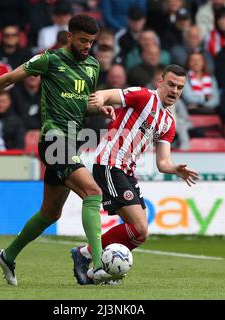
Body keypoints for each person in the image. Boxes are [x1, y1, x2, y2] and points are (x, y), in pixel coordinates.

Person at [0, 14, 116, 286]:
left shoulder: (92, 66)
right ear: (69, 36)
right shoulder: (49, 60)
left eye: (91, 41)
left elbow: (81, 105)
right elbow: (7, 79)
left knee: (51, 213)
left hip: (73, 141)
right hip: (53, 139)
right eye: (83, 40)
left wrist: (99, 108)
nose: (87, 46)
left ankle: (8, 255)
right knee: (93, 192)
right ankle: (98, 266)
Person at [71, 64, 199, 285]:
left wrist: (175, 169)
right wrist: (100, 100)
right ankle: (85, 255)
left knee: (140, 233)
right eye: (171, 84)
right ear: (160, 81)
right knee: (139, 227)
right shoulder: (143, 96)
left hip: (127, 172)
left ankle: (98, 268)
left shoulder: (168, 122)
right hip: (109, 164)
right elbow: (109, 93)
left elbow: (163, 162)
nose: (174, 91)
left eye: (179, 87)